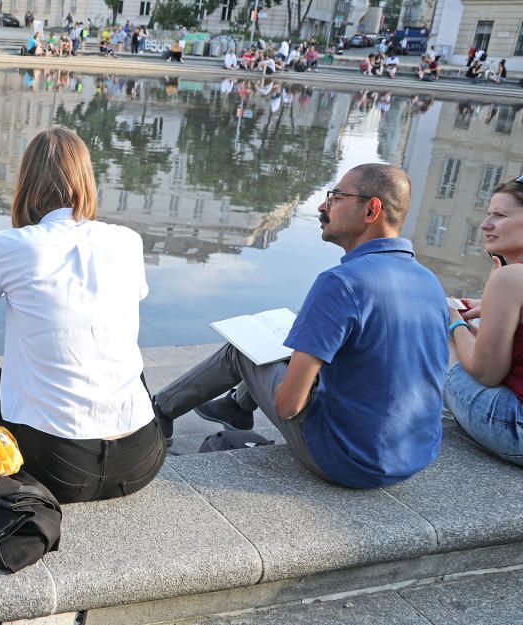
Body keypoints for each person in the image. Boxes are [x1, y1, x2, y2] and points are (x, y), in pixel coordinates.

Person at [152, 164, 449, 489]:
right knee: (304, 347)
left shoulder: (342, 283)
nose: (323, 206)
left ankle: (160, 412)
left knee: (243, 351)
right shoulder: (429, 280)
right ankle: (236, 406)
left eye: (336, 197)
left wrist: (286, 373)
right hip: (415, 455)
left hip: (349, 459)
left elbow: (288, 406)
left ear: (371, 210)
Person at [0, 128, 166, 504]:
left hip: (57, 468)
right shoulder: (126, 240)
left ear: (27, 183)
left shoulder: (9, 245)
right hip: (141, 459)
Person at [445, 176, 523, 467]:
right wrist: (489, 307)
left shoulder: (510, 278)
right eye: (489, 213)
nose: (485, 224)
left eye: (499, 215)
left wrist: (454, 321)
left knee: (441, 336)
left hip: (514, 427)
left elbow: (487, 373)